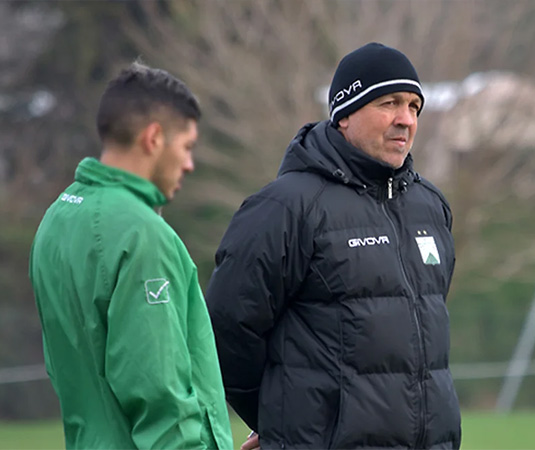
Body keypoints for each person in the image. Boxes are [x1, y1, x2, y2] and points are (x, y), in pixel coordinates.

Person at [206, 42, 462, 449]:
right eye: (389, 103)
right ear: (344, 114)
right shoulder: (284, 207)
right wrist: (274, 417)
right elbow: (227, 328)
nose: (406, 120)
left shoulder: (430, 207)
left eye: (414, 106)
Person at [29, 62, 233, 450]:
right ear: (153, 138)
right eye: (187, 147)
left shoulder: (57, 217)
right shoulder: (142, 235)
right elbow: (163, 401)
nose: (189, 164)